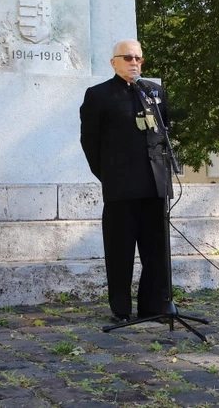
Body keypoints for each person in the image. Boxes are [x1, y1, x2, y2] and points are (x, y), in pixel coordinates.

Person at [79, 39, 173, 322]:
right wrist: (108, 174)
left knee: (157, 251)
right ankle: (121, 309)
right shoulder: (99, 95)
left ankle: (153, 306)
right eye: (128, 57)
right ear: (114, 62)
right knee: (120, 251)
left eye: (139, 58)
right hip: (121, 187)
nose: (134, 63)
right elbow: (90, 143)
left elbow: (164, 132)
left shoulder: (154, 92)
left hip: (155, 184)